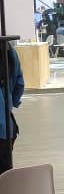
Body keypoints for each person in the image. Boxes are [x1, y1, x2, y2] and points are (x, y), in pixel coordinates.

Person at [0, 41, 25, 174]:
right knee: (5, 175)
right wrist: (10, 102)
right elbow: (19, 83)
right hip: (6, 127)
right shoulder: (8, 48)